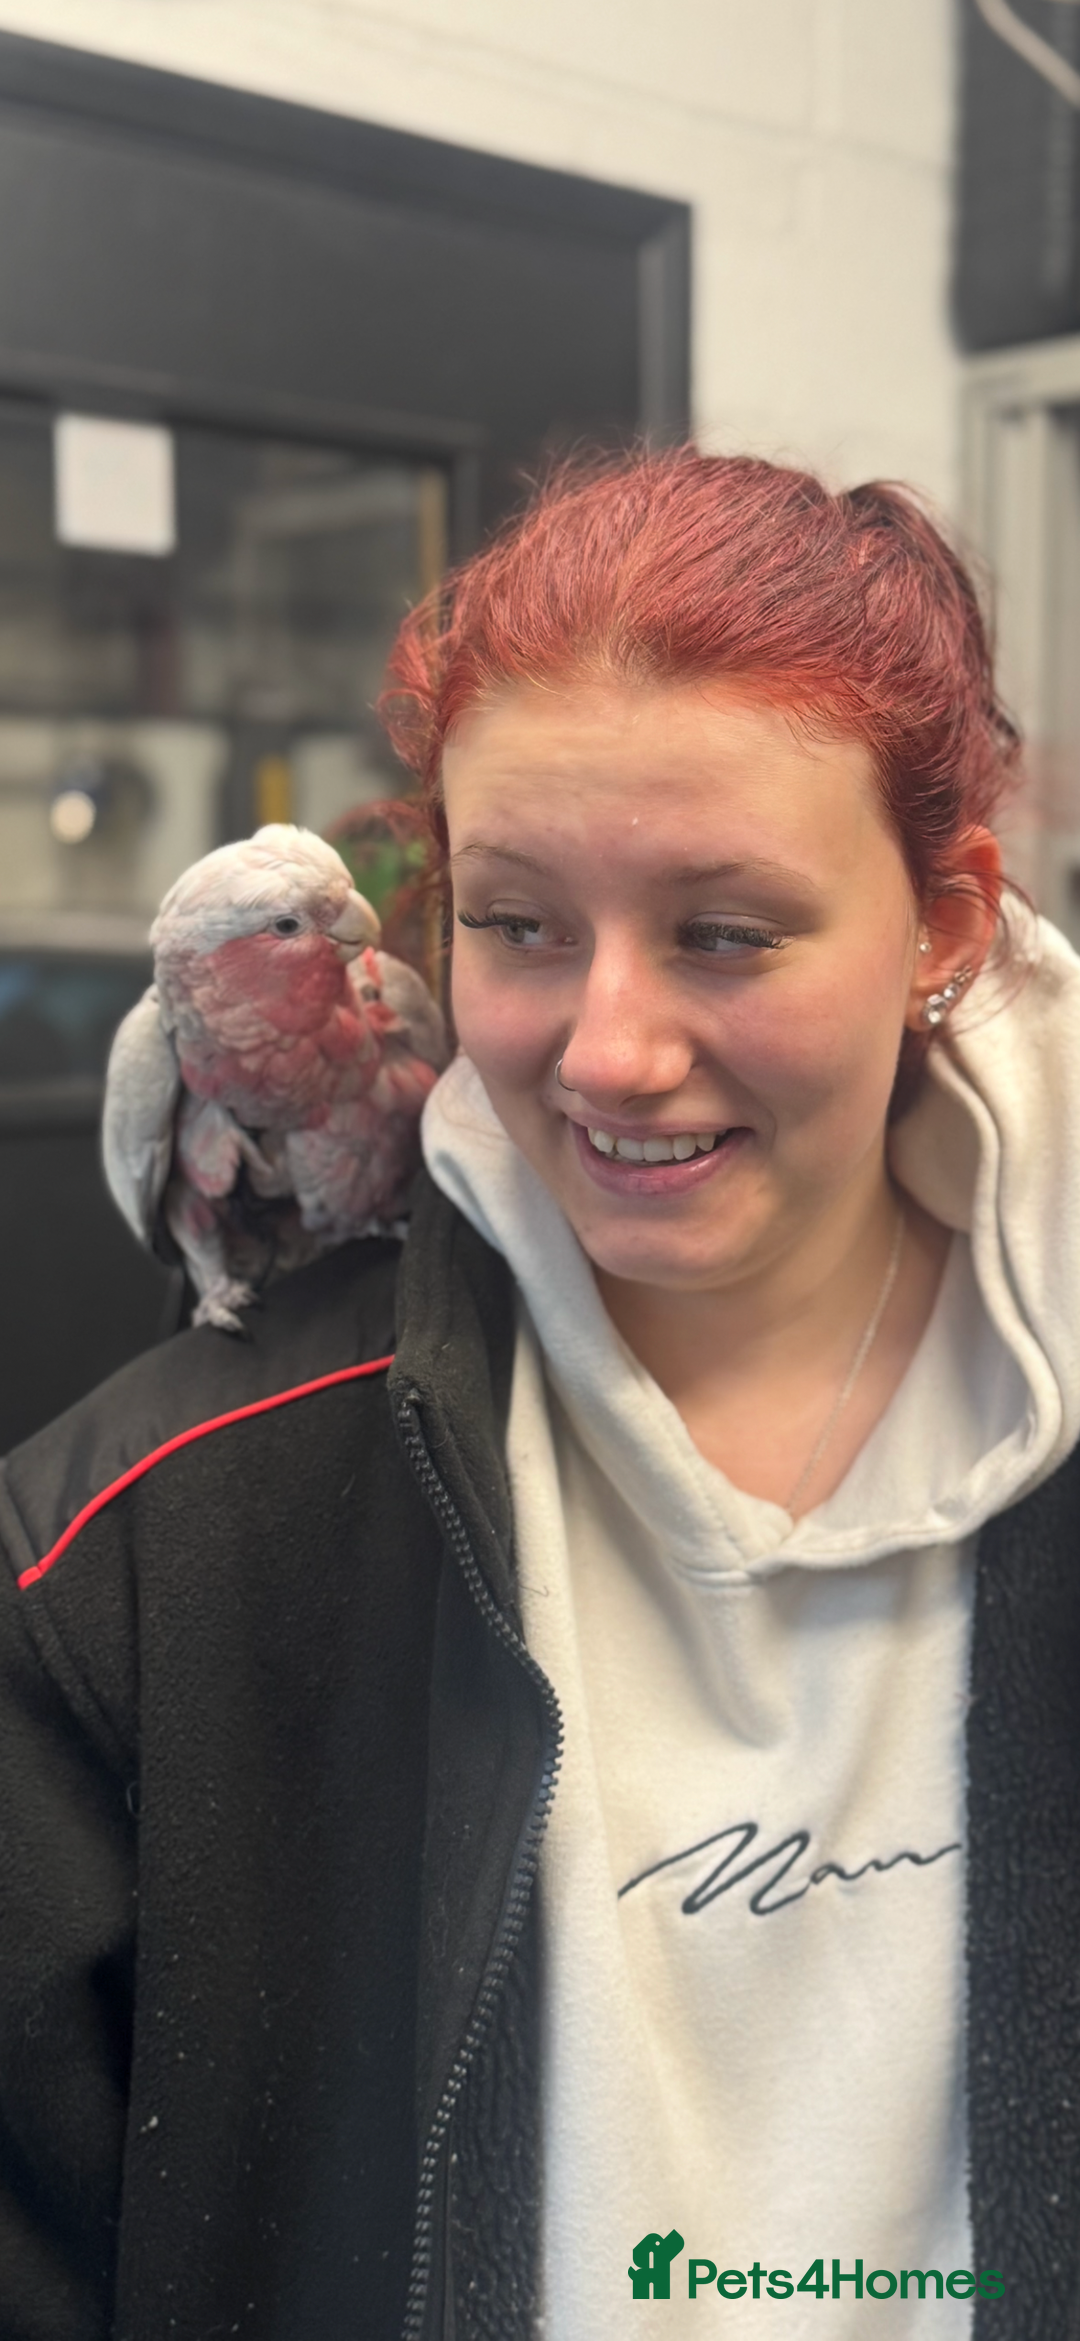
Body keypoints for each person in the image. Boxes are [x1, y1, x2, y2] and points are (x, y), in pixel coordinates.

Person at [0, 446, 1076, 2341]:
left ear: (947, 927)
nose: (609, 1052)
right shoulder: (135, 1554)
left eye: (727, 931)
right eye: (517, 923)